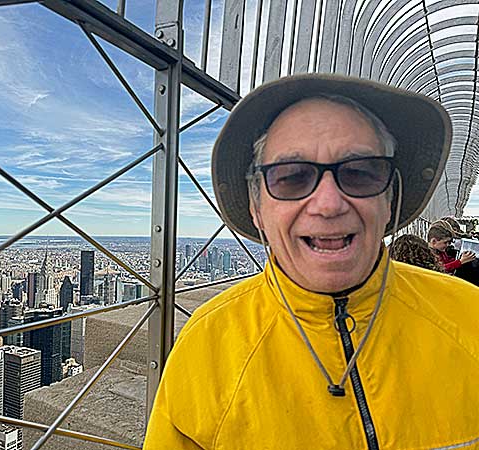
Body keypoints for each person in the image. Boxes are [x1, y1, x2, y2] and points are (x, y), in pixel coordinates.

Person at [143, 74, 479, 450]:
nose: (328, 204)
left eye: (360, 172)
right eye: (291, 178)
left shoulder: (470, 318)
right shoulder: (204, 351)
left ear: (390, 198)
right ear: (257, 208)